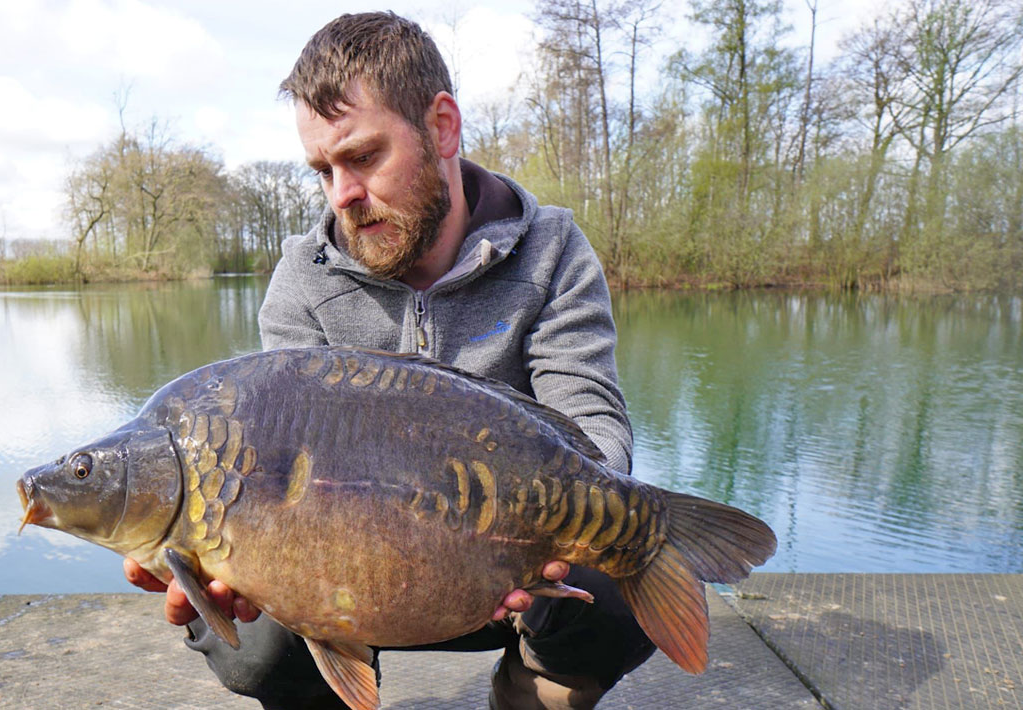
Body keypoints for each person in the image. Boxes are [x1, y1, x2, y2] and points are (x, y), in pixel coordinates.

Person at [124, 11, 655, 709]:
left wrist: (556, 516)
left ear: (441, 127)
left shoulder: (551, 250)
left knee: (625, 572)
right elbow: (273, 461)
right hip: (353, 577)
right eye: (323, 170)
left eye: (364, 156)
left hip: (513, 570)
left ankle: (530, 692)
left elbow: (593, 422)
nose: (342, 193)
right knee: (247, 634)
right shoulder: (302, 280)